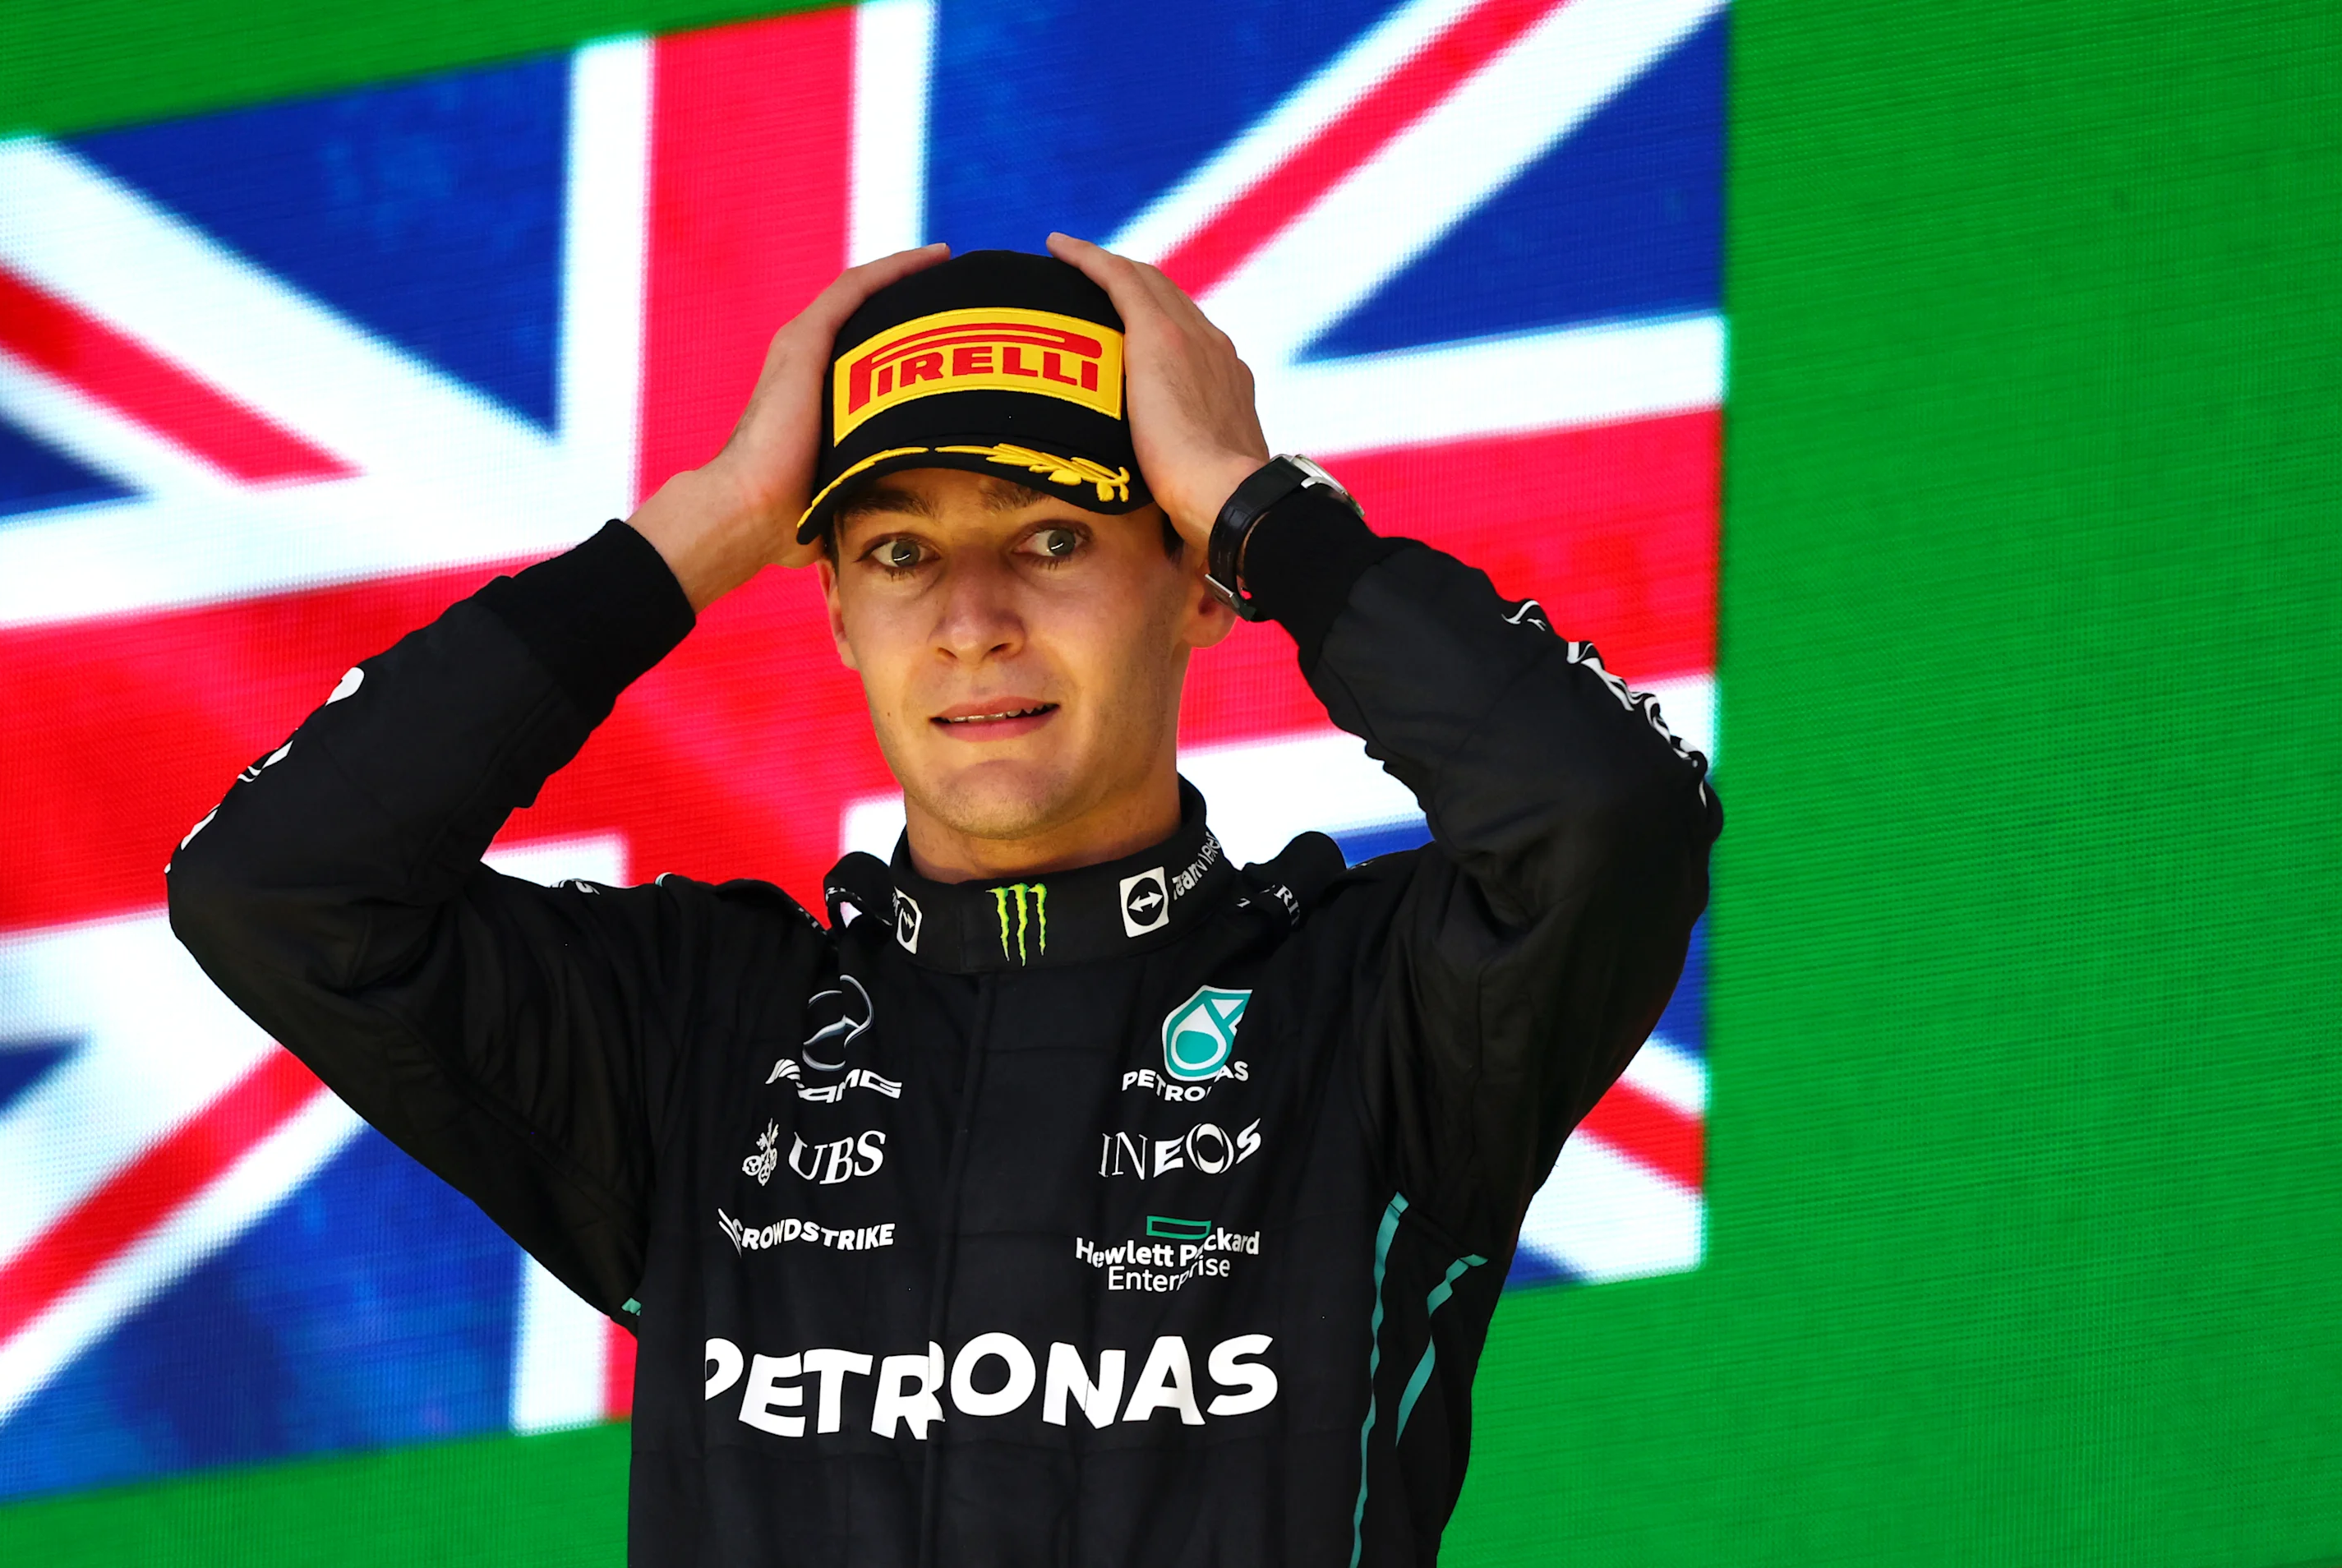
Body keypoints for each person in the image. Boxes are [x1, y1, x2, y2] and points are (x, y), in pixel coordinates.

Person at [169, 238, 1718, 1567]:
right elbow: (275, 887)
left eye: (1054, 537)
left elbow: (1611, 817)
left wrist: (1266, 514)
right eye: (900, 552)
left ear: (1195, 583)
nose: (972, 622)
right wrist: (700, 528)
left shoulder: (1380, 1014)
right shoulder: (693, 1038)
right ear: (832, 605)